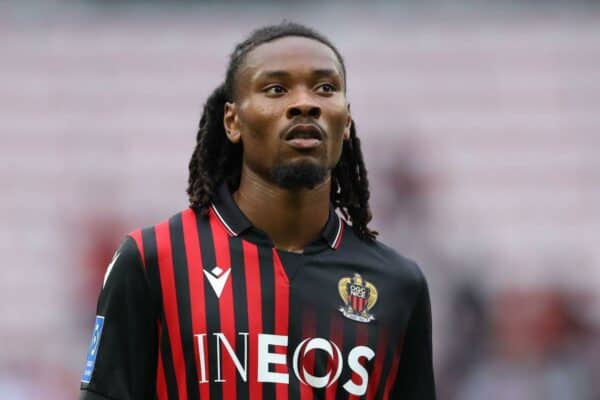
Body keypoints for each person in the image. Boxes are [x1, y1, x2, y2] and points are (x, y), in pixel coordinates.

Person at [79, 22, 436, 400]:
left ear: (345, 121)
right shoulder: (154, 260)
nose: (305, 102)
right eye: (276, 89)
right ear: (233, 121)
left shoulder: (398, 284)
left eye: (325, 88)